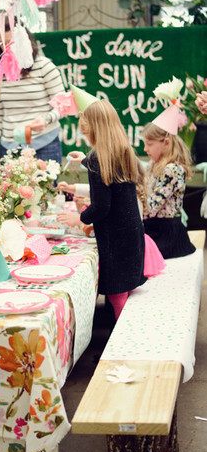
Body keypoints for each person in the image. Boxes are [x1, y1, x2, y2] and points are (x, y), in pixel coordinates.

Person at [57, 100, 146, 319]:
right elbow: (110, 180)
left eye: (87, 133)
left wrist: (79, 218)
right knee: (126, 288)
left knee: (117, 294)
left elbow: (101, 207)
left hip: (115, 239)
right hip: (132, 233)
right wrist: (85, 160)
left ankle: (122, 334)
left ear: (93, 129)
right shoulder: (122, 150)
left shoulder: (97, 159)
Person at [58, 158, 165, 279]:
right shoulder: (126, 190)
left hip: (130, 244)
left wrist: (80, 217)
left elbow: (101, 197)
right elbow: (96, 192)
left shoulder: (128, 196)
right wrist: (72, 188)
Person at [0, 23, 65, 164]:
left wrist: (47, 119)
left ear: (24, 40)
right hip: (9, 147)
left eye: (11, 42)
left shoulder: (44, 66)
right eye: (2, 44)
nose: (6, 48)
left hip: (44, 144)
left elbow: (62, 105)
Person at [142, 122, 195, 259]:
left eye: (149, 144)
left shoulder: (171, 170)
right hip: (154, 227)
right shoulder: (153, 165)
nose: (145, 149)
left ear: (166, 143)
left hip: (166, 235)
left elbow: (151, 208)